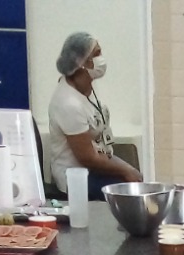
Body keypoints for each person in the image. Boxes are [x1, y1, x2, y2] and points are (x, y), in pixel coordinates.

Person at [45, 32, 140, 201]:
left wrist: (125, 169)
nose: (101, 59)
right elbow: (87, 158)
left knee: (135, 185)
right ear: (81, 63)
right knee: (130, 196)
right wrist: (126, 170)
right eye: (96, 54)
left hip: (95, 167)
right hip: (76, 178)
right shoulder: (68, 104)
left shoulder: (87, 88)